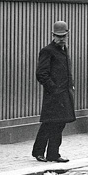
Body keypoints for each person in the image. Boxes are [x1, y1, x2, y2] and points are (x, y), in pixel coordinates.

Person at [33, 20, 74, 163]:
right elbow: (41, 74)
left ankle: (53, 153)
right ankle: (39, 152)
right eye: (58, 36)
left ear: (67, 34)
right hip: (54, 94)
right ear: (52, 35)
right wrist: (54, 89)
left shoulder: (64, 49)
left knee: (59, 123)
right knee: (49, 123)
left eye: (63, 36)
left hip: (64, 93)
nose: (61, 39)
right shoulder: (47, 51)